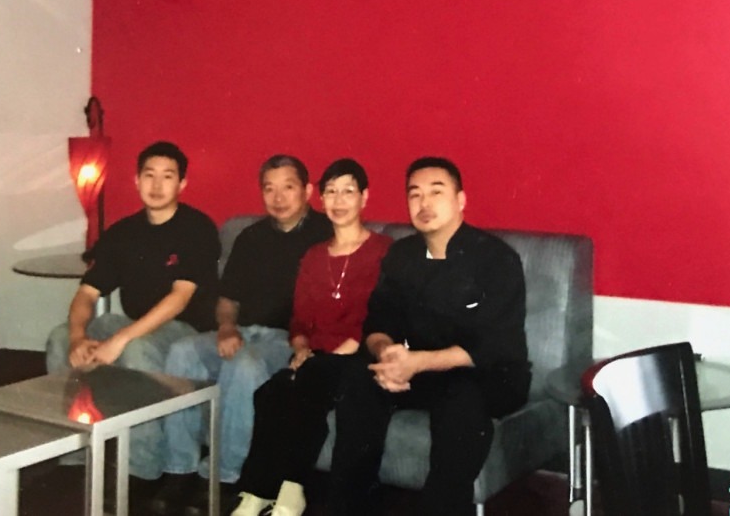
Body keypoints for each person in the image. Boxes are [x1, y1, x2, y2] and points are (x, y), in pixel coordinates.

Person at [327, 157, 531, 516]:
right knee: (359, 380)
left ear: (460, 200)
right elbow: (378, 319)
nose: (424, 204)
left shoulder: (496, 258)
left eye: (436, 192)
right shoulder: (401, 254)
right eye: (415, 195)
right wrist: (387, 352)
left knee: (462, 399)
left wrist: (417, 362)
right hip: (420, 368)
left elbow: (493, 344)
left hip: (488, 372)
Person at [152, 155, 333, 514]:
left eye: (288, 187)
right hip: (243, 330)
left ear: (308, 191)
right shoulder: (251, 236)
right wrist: (227, 327)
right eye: (269, 188)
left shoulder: (325, 235)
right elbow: (227, 298)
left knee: (244, 365)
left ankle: (228, 475)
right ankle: (180, 468)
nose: (278, 197)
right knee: (181, 352)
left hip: (286, 338)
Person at [45, 140, 221, 483]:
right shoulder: (123, 233)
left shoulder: (197, 228)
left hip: (184, 329)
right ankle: (73, 451)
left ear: (182, 184)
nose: (156, 185)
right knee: (60, 337)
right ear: (136, 180)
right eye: (149, 175)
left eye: (167, 177)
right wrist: (80, 336)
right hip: (131, 321)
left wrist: (120, 339)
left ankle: (142, 466)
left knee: (137, 347)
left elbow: (180, 299)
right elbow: (86, 293)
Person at [231, 158, 392, 516]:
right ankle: (257, 494)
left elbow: (375, 316)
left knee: (306, 386)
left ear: (364, 197)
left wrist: (323, 358)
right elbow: (300, 319)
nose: (338, 200)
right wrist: (301, 347)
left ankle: (291, 490)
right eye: (330, 192)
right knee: (270, 393)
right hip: (317, 356)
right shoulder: (314, 256)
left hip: (357, 355)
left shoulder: (383, 251)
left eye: (348, 191)